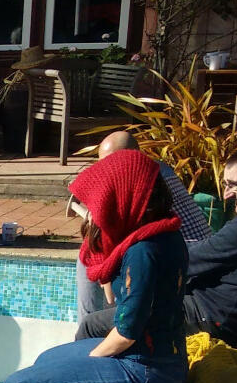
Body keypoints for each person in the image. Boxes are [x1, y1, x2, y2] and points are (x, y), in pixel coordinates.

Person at [0, 149, 189, 383]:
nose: (94, 211)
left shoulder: (143, 252)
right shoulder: (163, 233)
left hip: (146, 370)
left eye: (100, 202)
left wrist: (90, 360)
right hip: (160, 360)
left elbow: (126, 334)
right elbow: (115, 300)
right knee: (46, 359)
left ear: (120, 198)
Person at [76, 140, 237, 349]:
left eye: (234, 184)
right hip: (231, 316)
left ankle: (85, 372)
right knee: (127, 300)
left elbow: (186, 262)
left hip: (216, 319)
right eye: (226, 185)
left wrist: (128, 255)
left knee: (92, 325)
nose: (226, 195)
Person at [75, 130, 210, 330]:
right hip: (185, 249)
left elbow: (113, 226)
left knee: (88, 256)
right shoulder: (158, 169)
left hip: (185, 255)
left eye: (110, 162)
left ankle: (91, 329)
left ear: (130, 156)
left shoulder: (140, 179)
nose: (105, 170)